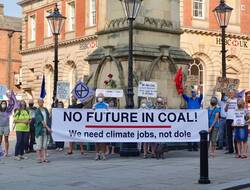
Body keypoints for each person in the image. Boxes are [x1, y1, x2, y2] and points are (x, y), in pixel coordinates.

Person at [182, 86, 203, 151]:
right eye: (192, 92)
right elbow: (183, 95)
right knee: (190, 131)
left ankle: (195, 146)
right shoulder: (189, 99)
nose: (193, 93)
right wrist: (184, 89)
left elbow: (201, 96)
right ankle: (189, 146)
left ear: (196, 93)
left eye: (194, 92)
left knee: (196, 132)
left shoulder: (198, 99)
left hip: (196, 119)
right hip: (190, 118)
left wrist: (200, 89)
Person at [34, 98, 51, 163]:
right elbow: (42, 121)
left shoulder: (45, 109)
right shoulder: (37, 111)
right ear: (38, 103)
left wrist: (52, 111)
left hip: (45, 130)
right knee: (39, 145)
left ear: (43, 102)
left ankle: (45, 158)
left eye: (42, 102)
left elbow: (48, 117)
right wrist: (48, 128)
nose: (41, 103)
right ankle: (39, 158)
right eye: (39, 102)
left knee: (44, 145)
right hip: (39, 130)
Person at [93, 93, 109, 160]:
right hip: (96, 125)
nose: (100, 98)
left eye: (101, 97)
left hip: (104, 125)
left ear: (103, 98)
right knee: (96, 141)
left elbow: (109, 113)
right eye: (99, 97)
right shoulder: (95, 105)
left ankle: (103, 153)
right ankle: (97, 154)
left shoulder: (106, 105)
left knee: (103, 141)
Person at [224, 89, 238, 154]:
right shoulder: (227, 100)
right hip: (228, 119)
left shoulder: (237, 100)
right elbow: (225, 110)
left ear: (235, 94)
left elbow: (239, 110)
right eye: (230, 93)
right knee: (229, 135)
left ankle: (237, 149)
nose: (231, 94)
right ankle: (230, 150)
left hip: (235, 119)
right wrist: (227, 104)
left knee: (236, 135)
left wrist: (236, 119)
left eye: (232, 93)